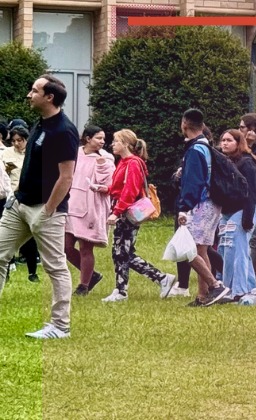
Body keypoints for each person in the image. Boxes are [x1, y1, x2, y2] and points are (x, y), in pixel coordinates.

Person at [0, 76, 79, 339]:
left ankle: (60, 326)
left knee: (55, 267)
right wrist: (16, 197)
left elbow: (66, 177)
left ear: (50, 98)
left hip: (47, 209)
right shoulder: (39, 123)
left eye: (34, 90)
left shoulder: (64, 131)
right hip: (19, 206)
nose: (28, 94)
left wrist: (48, 210)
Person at [103, 130, 176, 301]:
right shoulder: (125, 162)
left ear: (126, 144)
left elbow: (130, 191)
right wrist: (106, 190)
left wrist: (116, 212)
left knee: (124, 252)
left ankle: (160, 278)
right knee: (120, 251)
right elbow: (121, 187)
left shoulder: (133, 163)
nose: (113, 144)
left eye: (116, 141)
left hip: (127, 212)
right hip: (124, 210)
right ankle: (122, 289)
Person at [172, 108, 232, 307]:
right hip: (212, 203)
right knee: (201, 249)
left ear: (184, 124)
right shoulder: (205, 145)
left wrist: (184, 207)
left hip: (200, 204)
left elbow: (193, 181)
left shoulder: (196, 149)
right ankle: (203, 295)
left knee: (188, 250)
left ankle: (216, 285)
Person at [66, 125, 114, 296]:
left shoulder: (106, 158)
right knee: (66, 246)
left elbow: (109, 183)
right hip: (72, 204)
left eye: (103, 139)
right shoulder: (74, 153)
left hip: (91, 205)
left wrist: (101, 164)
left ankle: (83, 285)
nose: (102, 142)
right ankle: (92, 275)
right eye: (98, 138)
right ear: (87, 138)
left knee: (86, 247)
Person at [218, 129, 256, 303]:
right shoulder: (224, 163)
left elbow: (251, 192)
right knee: (225, 248)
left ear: (238, 143)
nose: (224, 143)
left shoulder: (247, 164)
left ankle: (238, 290)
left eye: (229, 140)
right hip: (228, 211)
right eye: (223, 140)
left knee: (238, 249)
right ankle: (250, 286)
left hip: (245, 209)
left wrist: (247, 218)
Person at [3, 122, 40, 284]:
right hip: (8, 197)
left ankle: (33, 272)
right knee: (6, 237)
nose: (17, 143)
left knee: (30, 239)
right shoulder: (5, 154)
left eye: (20, 140)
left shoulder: (33, 153)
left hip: (27, 197)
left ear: (26, 139)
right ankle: (8, 270)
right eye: (14, 141)